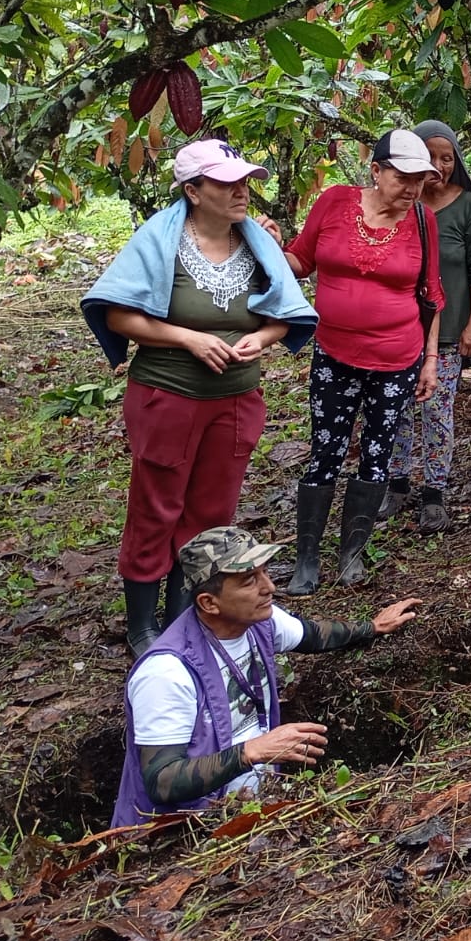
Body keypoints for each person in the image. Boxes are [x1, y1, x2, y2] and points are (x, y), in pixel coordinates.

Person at [82, 139, 317, 655]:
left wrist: (263, 338)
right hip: (168, 396)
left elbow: (284, 314)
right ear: (193, 191)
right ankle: (142, 628)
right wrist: (187, 338)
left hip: (235, 400)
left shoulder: (257, 243)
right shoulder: (159, 240)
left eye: (245, 182)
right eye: (226, 183)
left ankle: (183, 620)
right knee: (156, 509)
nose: (241, 192)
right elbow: (118, 315)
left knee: (210, 513)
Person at [111, 526, 421, 827]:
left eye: (265, 572)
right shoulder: (167, 673)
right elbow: (163, 781)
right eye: (249, 580)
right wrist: (252, 751)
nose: (269, 587)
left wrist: (372, 627)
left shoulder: (260, 622)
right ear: (209, 603)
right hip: (183, 833)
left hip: (250, 807)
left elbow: (312, 634)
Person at [274, 129, 445, 594]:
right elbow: (300, 260)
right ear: (376, 171)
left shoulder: (424, 221)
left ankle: (352, 553)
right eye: (402, 177)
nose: (411, 188)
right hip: (335, 353)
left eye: (419, 179)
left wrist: (430, 360)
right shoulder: (334, 202)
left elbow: (432, 295)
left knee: (377, 451)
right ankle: (307, 558)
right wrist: (269, 246)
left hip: (396, 358)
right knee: (325, 451)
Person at [382, 120, 471, 533]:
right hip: (398, 328)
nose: (439, 166)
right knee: (396, 409)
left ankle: (434, 494)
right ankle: (396, 484)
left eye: (447, 158)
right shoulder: (400, 203)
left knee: (437, 411)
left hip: (447, 332)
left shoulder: (468, 207)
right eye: (430, 157)